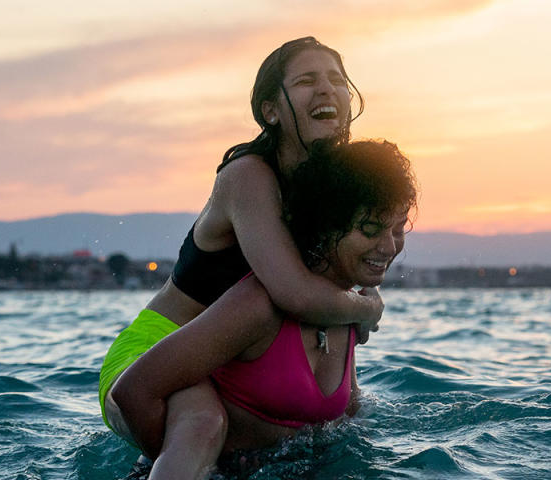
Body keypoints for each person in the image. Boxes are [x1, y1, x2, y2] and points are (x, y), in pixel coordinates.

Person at [98, 37, 381, 458]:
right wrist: (367, 307)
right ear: (271, 110)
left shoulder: (330, 188)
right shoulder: (247, 177)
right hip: (156, 353)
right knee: (203, 423)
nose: (326, 89)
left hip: (233, 363)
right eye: (306, 80)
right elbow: (296, 293)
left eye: (337, 80)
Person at [112, 140, 418, 478]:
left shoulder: (345, 309)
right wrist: (204, 467)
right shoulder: (258, 305)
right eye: (370, 229)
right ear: (327, 225)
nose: (390, 246)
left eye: (398, 227)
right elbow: (134, 391)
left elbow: (347, 419)